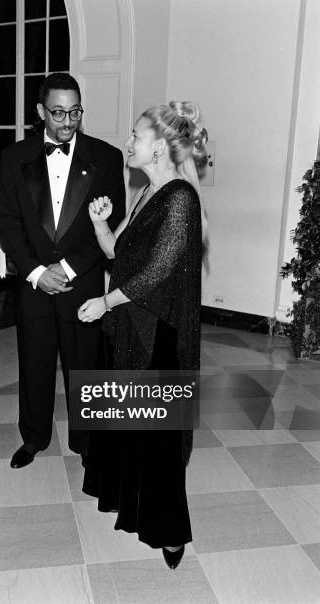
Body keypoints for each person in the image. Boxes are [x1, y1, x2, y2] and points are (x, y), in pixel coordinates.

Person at [77, 101, 208, 569]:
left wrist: (105, 302)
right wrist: (98, 224)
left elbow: (158, 272)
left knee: (158, 441)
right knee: (130, 424)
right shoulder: (148, 193)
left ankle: (170, 531)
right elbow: (120, 253)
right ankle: (132, 506)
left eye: (136, 136)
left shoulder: (179, 198)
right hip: (133, 326)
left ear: (161, 146)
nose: (128, 142)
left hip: (158, 336)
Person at [0, 72, 125, 469]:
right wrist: (37, 272)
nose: (67, 122)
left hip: (81, 282)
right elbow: (10, 225)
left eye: (75, 112)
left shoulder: (106, 157)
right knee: (34, 363)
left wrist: (66, 268)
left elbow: (110, 222)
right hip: (34, 284)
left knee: (84, 365)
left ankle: (87, 443)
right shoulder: (14, 157)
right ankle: (33, 438)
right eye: (58, 113)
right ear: (40, 112)